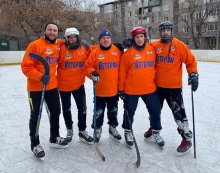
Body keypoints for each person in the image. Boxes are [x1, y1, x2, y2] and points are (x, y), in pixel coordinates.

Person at [144, 21, 199, 155]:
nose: (165, 32)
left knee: (179, 114)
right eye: (163, 30)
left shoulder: (179, 46)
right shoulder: (154, 45)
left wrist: (193, 74)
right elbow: (142, 48)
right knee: (154, 110)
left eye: (168, 30)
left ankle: (186, 138)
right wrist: (131, 43)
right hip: (156, 87)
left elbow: (190, 62)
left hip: (173, 88)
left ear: (171, 31)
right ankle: (154, 126)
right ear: (160, 32)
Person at [21, 21, 68, 160]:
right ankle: (34, 144)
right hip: (36, 88)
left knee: (55, 112)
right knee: (36, 115)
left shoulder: (58, 45)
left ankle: (54, 137)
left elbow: (76, 44)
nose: (52, 32)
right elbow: (26, 67)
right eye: (50, 30)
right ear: (45, 30)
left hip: (52, 87)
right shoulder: (35, 45)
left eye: (55, 30)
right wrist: (40, 76)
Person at [118, 26, 164, 147]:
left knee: (155, 110)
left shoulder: (151, 50)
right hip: (131, 89)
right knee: (129, 112)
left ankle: (156, 131)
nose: (139, 39)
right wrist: (121, 90)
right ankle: (128, 131)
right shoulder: (128, 54)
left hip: (149, 88)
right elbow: (122, 73)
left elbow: (160, 46)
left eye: (141, 36)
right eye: (137, 37)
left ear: (145, 37)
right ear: (133, 38)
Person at [84, 28, 123, 143]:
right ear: (99, 40)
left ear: (111, 39)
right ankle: (97, 129)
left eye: (108, 38)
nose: (105, 40)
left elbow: (125, 66)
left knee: (113, 111)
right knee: (98, 112)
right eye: (103, 38)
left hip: (113, 90)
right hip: (99, 90)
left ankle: (112, 128)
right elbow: (87, 67)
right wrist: (92, 72)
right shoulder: (95, 52)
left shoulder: (118, 51)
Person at [57, 27, 94, 144]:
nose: (72, 39)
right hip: (63, 86)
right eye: (70, 37)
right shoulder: (61, 48)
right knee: (66, 108)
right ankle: (69, 129)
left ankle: (82, 130)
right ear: (66, 38)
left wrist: (117, 47)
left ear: (78, 37)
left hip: (78, 85)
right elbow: (50, 53)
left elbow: (97, 52)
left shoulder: (83, 48)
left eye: (74, 37)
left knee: (82, 108)